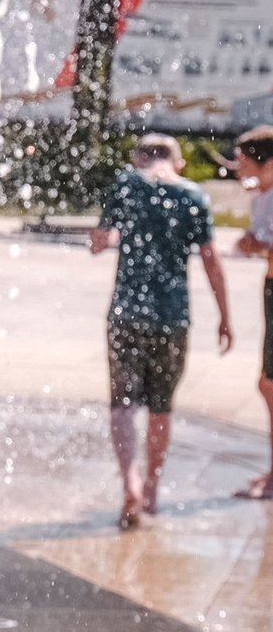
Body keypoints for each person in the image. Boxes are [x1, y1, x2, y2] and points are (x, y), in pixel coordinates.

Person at [92, 133, 231, 530]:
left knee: (121, 402)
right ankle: (151, 486)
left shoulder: (125, 183)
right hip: (173, 318)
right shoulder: (194, 196)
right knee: (161, 405)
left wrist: (103, 240)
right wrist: (225, 316)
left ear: (139, 158)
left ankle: (130, 482)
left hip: (125, 313)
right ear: (179, 161)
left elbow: (100, 239)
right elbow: (210, 260)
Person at [230, 126, 273, 500]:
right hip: (270, 288)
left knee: (270, 385)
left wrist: (256, 245)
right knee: (267, 383)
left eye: (245, 164)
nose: (238, 170)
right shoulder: (261, 197)